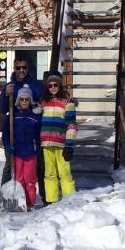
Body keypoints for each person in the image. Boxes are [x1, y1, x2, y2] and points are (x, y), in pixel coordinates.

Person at [0, 55, 43, 209]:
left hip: (30, 130)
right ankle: (3, 197)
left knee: (37, 167)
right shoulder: (9, 86)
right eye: (18, 68)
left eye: (24, 68)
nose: (21, 70)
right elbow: (2, 109)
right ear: (14, 69)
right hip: (14, 128)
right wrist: (4, 94)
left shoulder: (35, 85)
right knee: (9, 166)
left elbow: (43, 102)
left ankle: (42, 196)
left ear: (28, 69)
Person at [1, 84, 42, 210]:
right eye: (22, 99)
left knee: (30, 179)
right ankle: (19, 202)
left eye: (27, 99)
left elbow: (40, 134)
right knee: (19, 179)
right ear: (18, 100)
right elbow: (6, 133)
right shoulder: (13, 116)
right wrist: (7, 145)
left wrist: (38, 149)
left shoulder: (35, 116)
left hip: (31, 152)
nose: (24, 101)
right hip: (17, 152)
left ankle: (30, 203)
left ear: (30, 100)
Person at [39, 71, 77, 203]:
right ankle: (51, 200)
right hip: (46, 144)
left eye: (56, 85)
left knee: (64, 173)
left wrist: (69, 145)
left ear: (60, 86)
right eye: (50, 85)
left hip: (61, 144)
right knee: (49, 174)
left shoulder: (67, 103)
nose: (53, 87)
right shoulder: (44, 103)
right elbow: (33, 112)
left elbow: (71, 125)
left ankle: (70, 200)